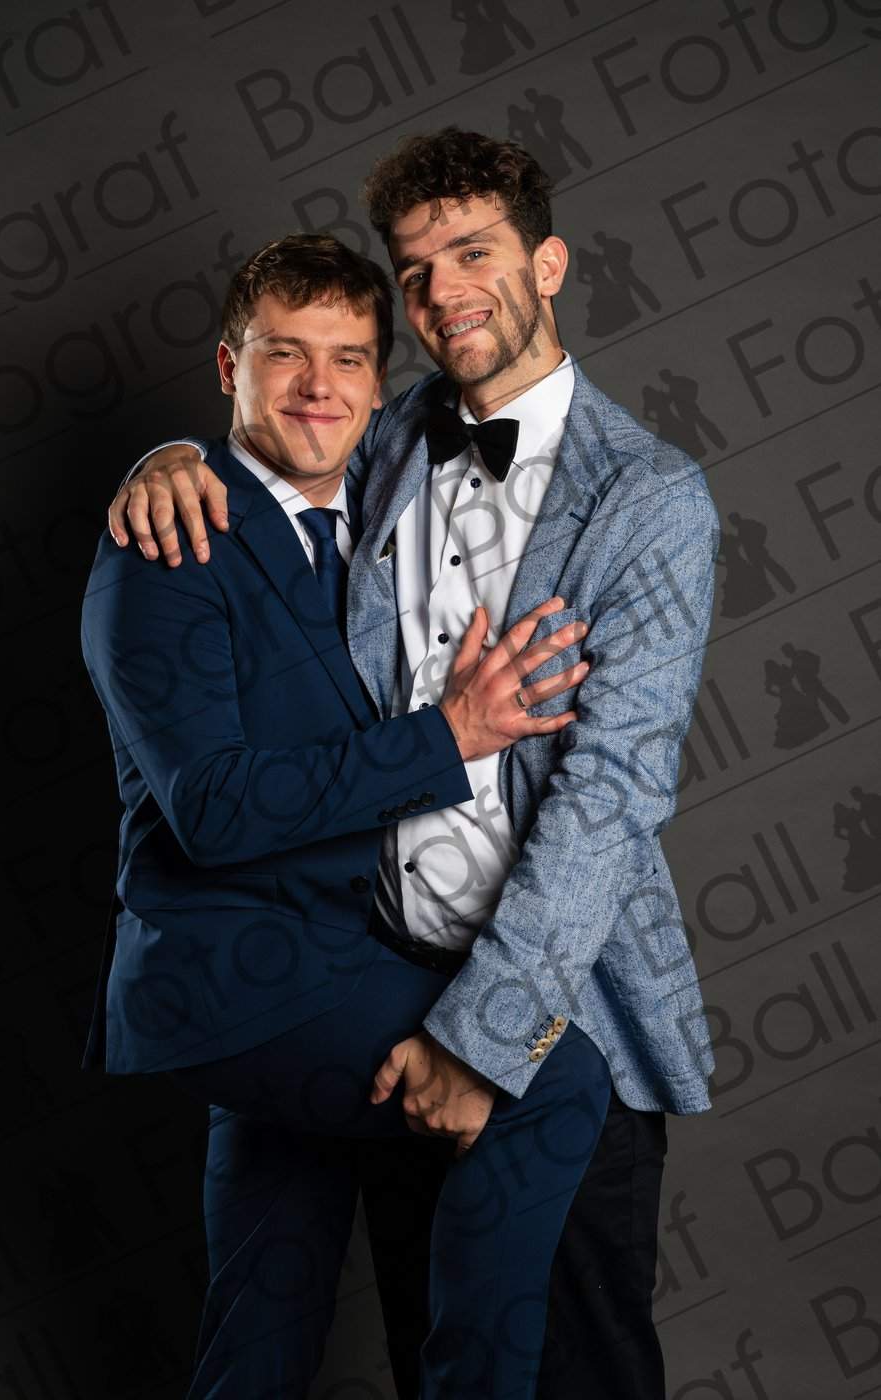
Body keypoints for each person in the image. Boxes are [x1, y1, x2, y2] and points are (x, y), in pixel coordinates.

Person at [101, 128, 720, 1399]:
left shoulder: (650, 499)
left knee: (578, 1366)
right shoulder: (388, 441)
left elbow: (609, 797)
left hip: (553, 1002)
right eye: (417, 268)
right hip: (374, 983)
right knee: (422, 1346)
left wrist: (481, 1038)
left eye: (474, 253)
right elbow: (273, 449)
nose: (444, 291)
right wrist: (160, 462)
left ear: (547, 263)